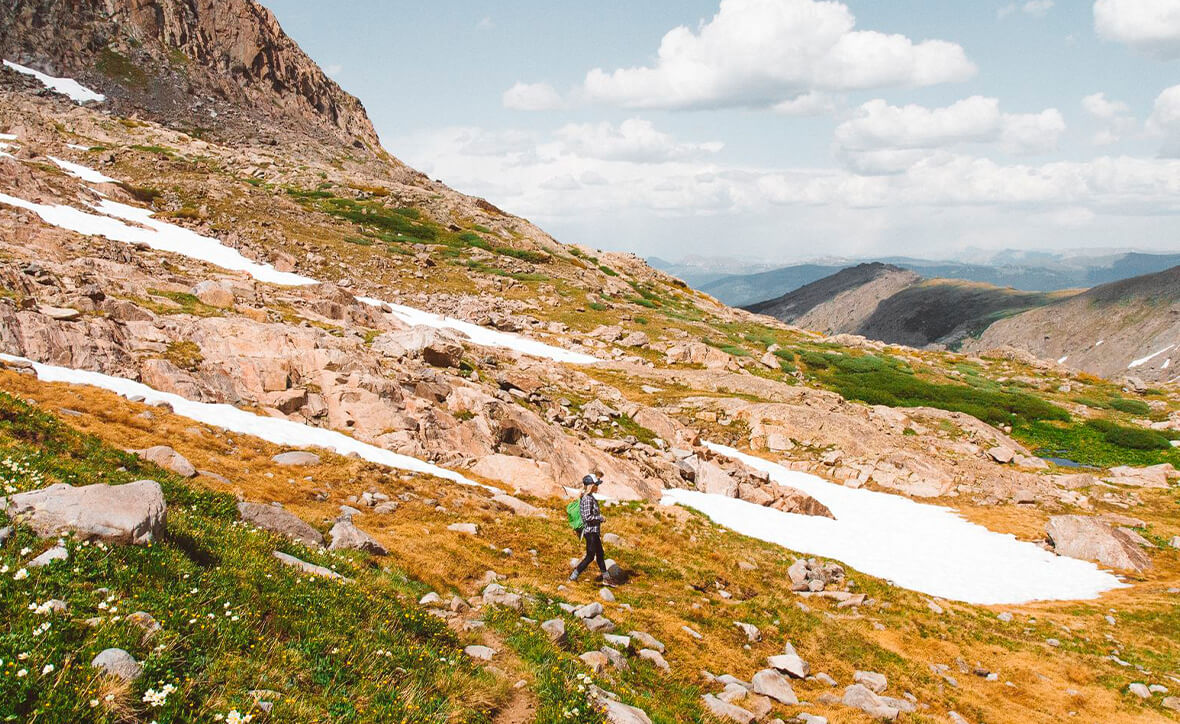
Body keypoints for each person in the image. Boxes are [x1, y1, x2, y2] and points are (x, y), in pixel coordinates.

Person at [569, 471, 615, 585]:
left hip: (594, 532)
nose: (598, 486)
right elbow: (587, 517)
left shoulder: (590, 497)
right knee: (590, 556)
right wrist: (600, 518)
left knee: (600, 554)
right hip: (590, 532)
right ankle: (573, 577)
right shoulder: (587, 499)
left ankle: (606, 578)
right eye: (596, 484)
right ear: (591, 485)